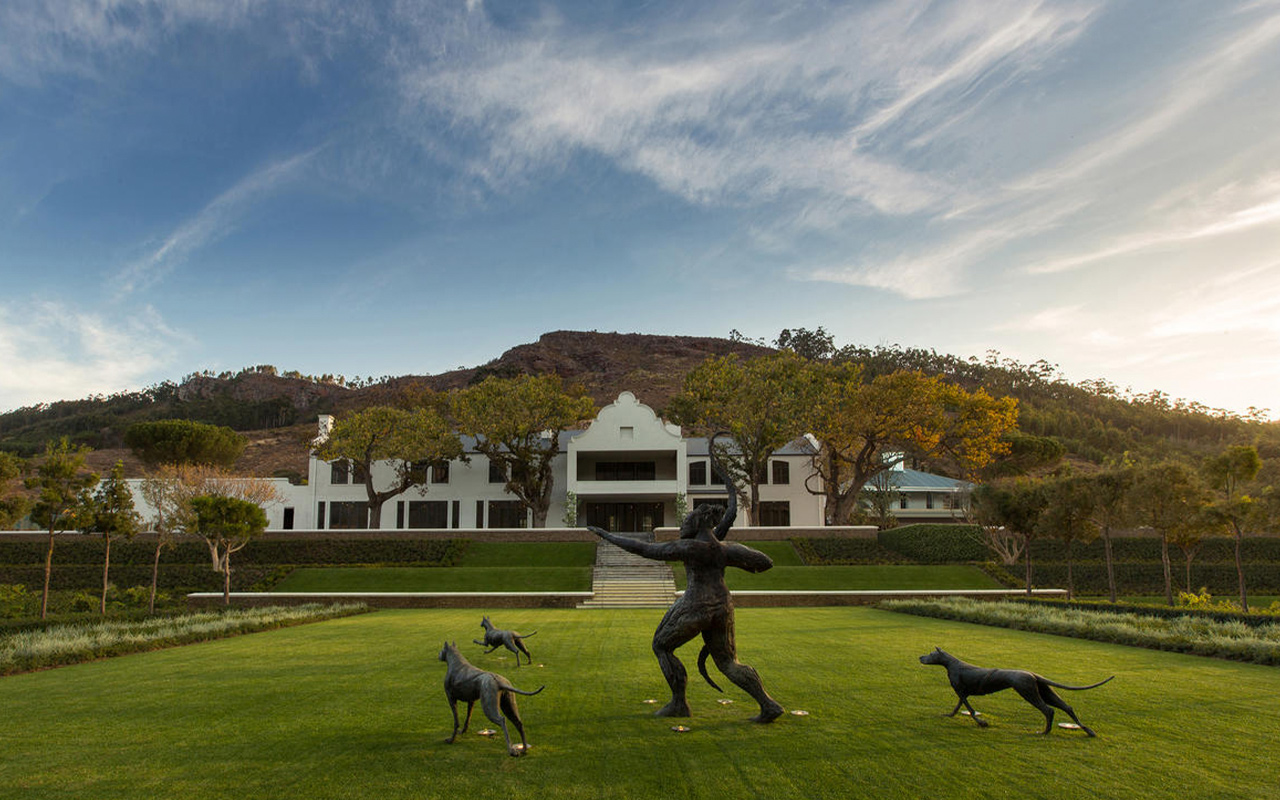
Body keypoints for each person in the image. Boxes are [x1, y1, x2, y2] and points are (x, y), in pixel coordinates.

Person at [587, 447, 784, 723]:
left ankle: (679, 703)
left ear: (699, 521)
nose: (686, 520)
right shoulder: (726, 549)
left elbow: (646, 550)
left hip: (697, 603)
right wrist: (742, 563)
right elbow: (765, 562)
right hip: (723, 605)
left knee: (661, 645)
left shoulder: (691, 547)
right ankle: (768, 704)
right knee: (728, 663)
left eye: (690, 517)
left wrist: (607, 535)